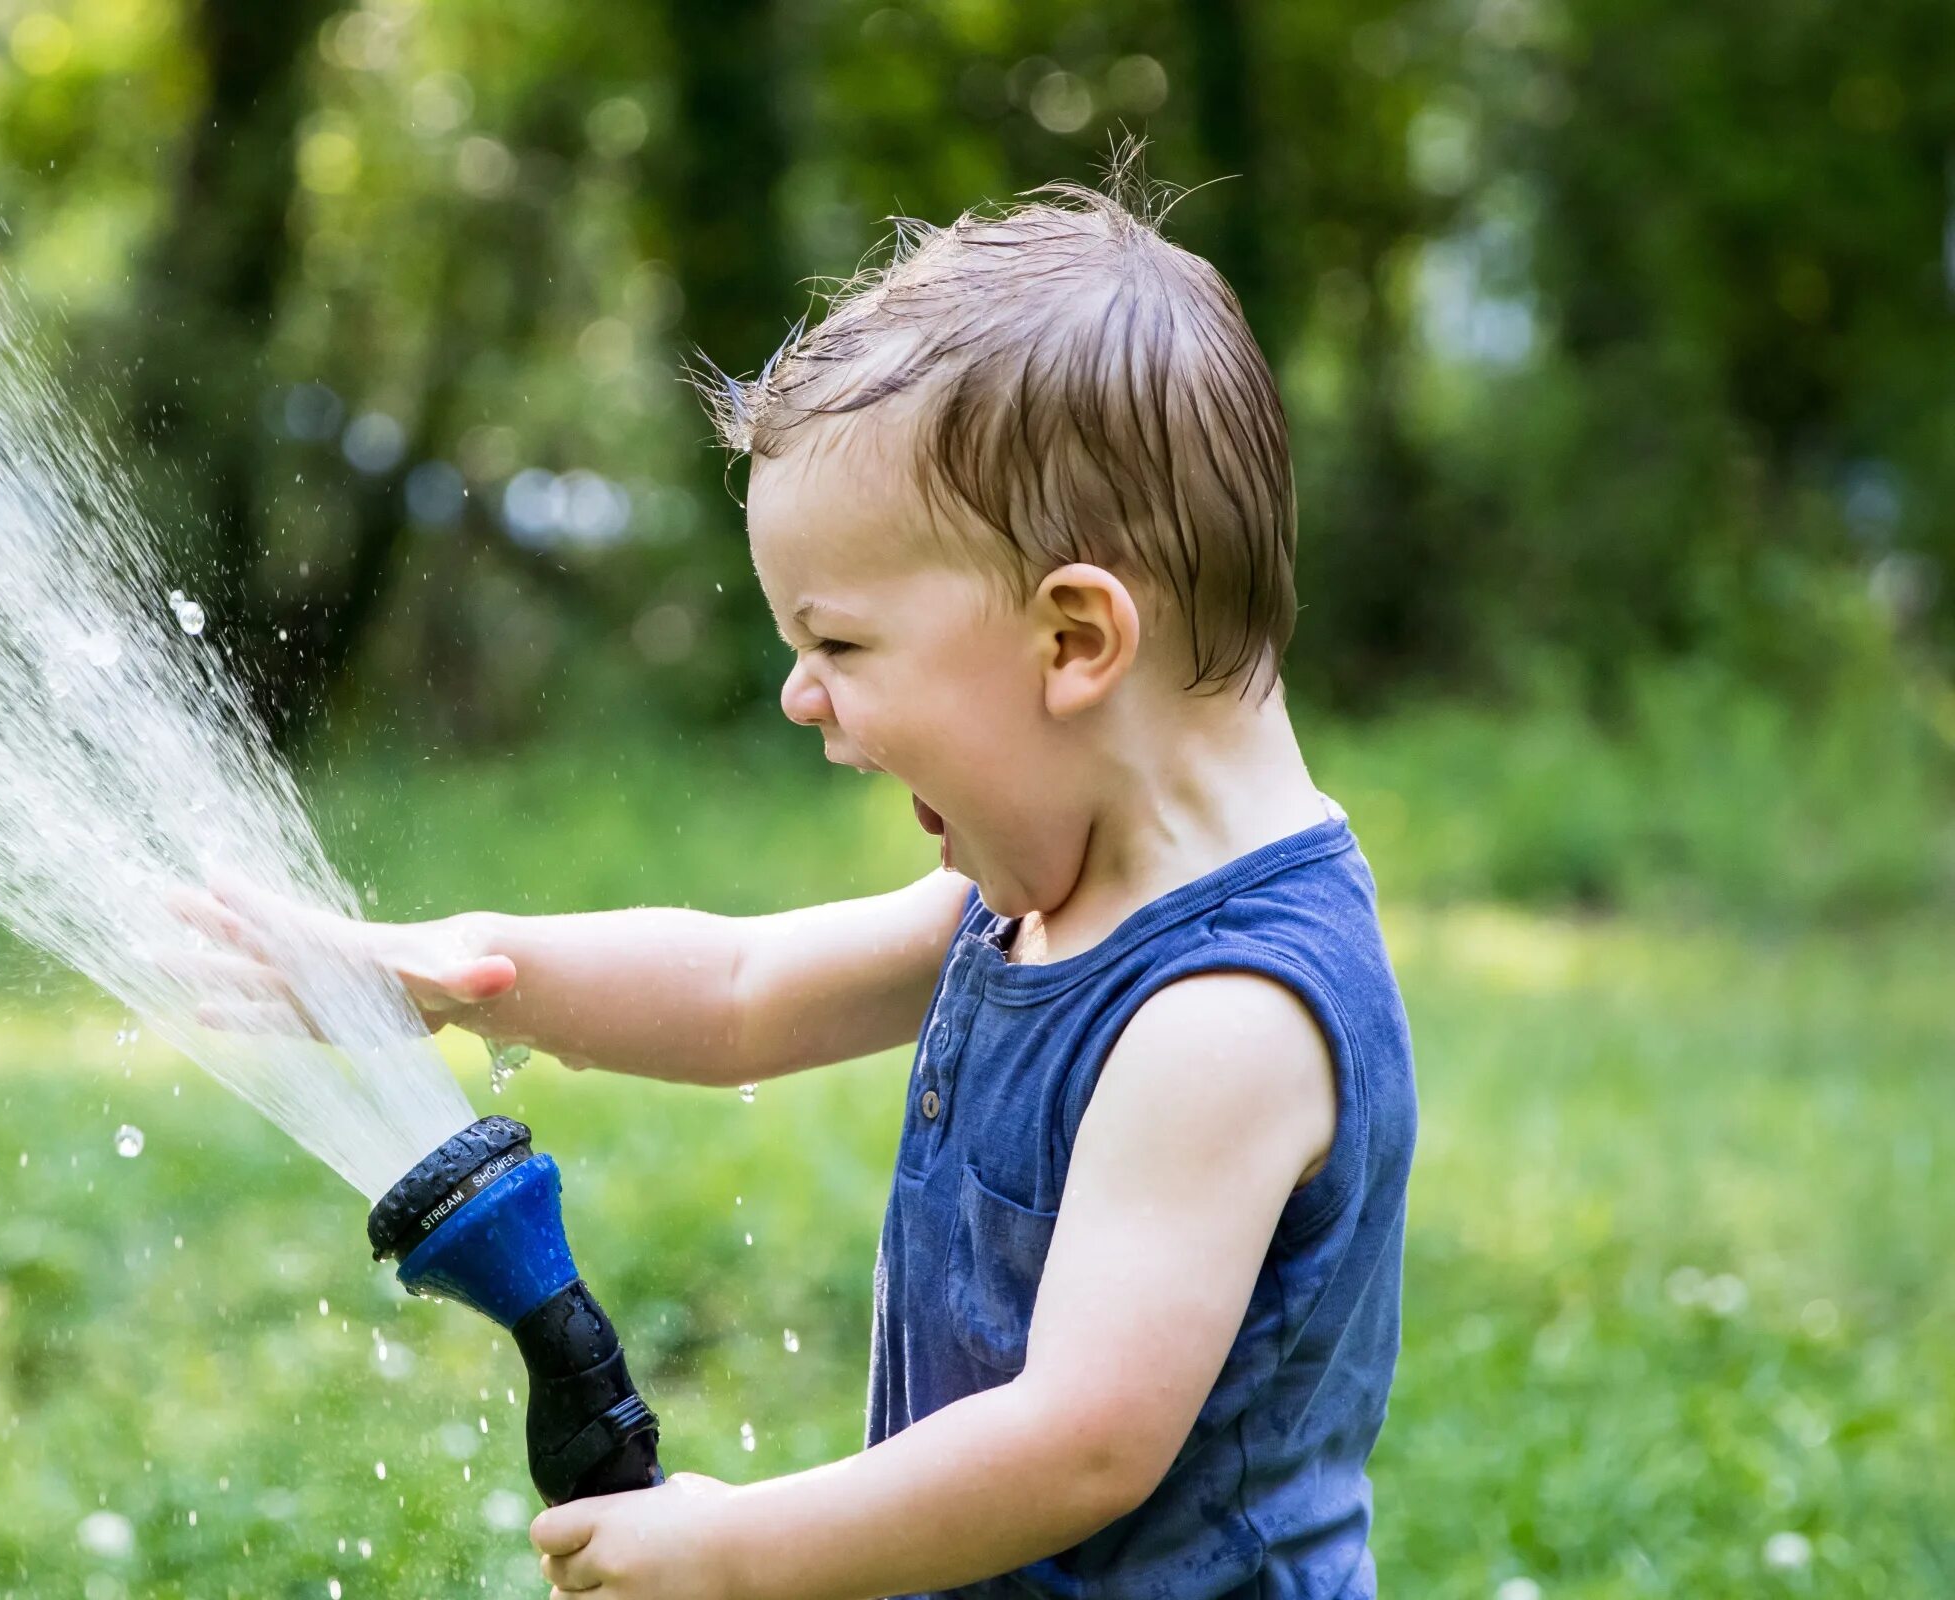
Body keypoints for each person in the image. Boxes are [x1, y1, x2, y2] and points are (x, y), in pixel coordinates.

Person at [174, 176, 1416, 1600]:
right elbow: (742, 990)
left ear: (1075, 639)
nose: (797, 694)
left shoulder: (1225, 1017)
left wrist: (738, 1553)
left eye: (839, 642)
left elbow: (1081, 1444)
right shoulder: (1044, 901)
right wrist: (459, 969)